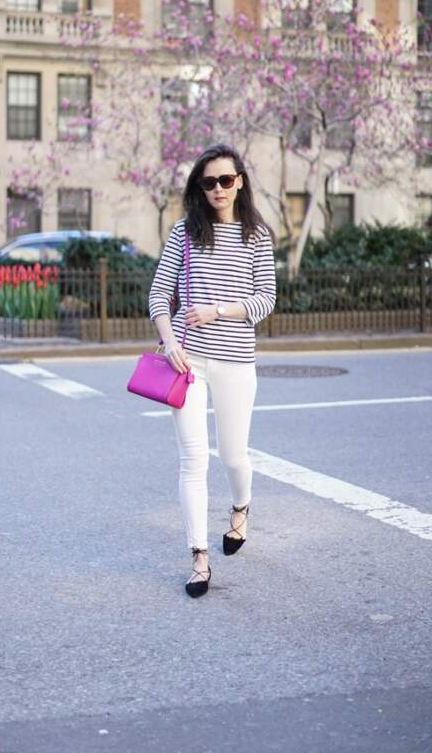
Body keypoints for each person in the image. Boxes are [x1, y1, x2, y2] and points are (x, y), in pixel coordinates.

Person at [148, 144, 276, 598]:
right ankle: (198, 558)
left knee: (233, 457)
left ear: (240, 180)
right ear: (198, 188)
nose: (218, 189)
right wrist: (170, 341)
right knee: (192, 460)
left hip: (236, 361)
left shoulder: (256, 235)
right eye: (208, 182)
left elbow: (265, 300)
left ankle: (240, 508)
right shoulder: (184, 232)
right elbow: (158, 295)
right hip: (189, 363)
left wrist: (219, 309)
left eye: (226, 180)